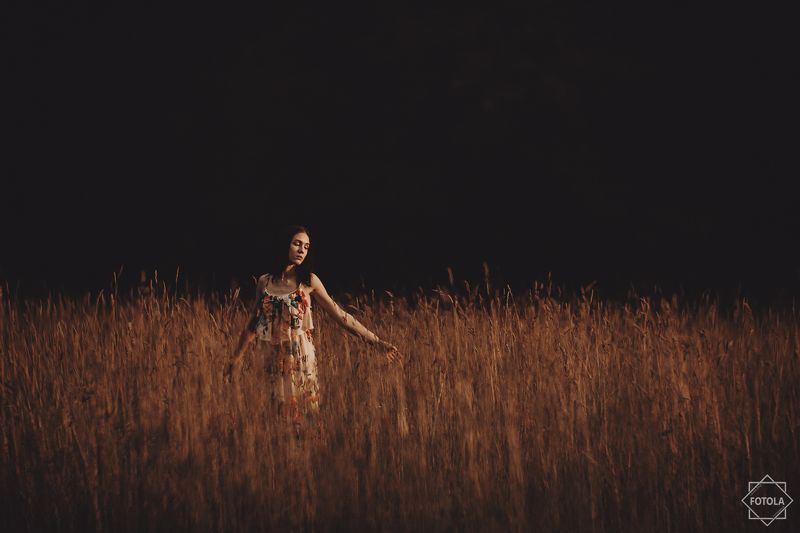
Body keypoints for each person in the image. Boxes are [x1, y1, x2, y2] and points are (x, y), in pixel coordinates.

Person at [223, 225, 398, 420]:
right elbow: (253, 323)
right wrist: (236, 358)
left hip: (299, 359)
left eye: (306, 247)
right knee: (271, 418)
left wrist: (376, 342)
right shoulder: (265, 281)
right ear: (285, 245)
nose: (301, 251)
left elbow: (341, 316)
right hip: (269, 357)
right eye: (297, 244)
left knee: (301, 419)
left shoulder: (309, 281)